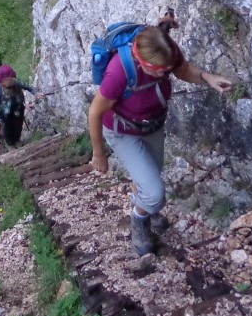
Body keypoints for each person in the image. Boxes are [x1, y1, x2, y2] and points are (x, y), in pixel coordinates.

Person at [88, 20, 232, 256]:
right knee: (155, 193)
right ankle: (139, 224)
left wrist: (208, 77)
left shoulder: (167, 51)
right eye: (158, 70)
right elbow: (95, 111)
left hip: (151, 125)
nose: (164, 74)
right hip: (122, 131)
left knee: (149, 179)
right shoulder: (120, 70)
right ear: (141, 59)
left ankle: (144, 207)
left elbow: (183, 69)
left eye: (166, 70)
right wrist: (98, 153)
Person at [0, 70, 44, 148]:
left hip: (18, 108)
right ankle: (10, 144)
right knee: (7, 129)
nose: (11, 90)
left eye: (12, 88)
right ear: (3, 86)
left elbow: (29, 87)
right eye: (9, 89)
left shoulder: (17, 83)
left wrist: (36, 93)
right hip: (5, 113)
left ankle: (17, 139)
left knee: (18, 126)